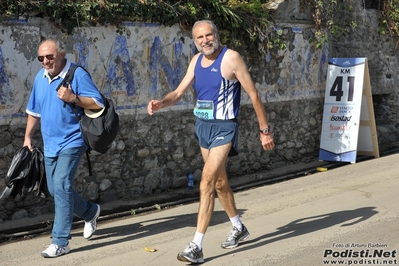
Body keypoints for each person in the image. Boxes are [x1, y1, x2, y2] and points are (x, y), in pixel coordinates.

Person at [147, 20, 275, 263]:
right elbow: (178, 93)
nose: (205, 40)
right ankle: (238, 226)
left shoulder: (231, 58)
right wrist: (161, 103)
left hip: (224, 128)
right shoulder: (196, 61)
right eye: (199, 38)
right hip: (203, 127)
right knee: (218, 181)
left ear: (216, 35)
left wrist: (264, 130)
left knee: (205, 182)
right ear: (195, 41)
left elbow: (253, 94)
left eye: (208, 35)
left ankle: (196, 246)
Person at [23, 39, 103, 258]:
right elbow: (34, 111)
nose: (46, 61)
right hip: (50, 144)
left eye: (50, 56)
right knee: (53, 188)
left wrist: (74, 98)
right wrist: (27, 136)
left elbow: (98, 103)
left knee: (61, 184)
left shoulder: (77, 74)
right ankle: (90, 211)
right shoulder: (40, 78)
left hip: (73, 140)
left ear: (61, 54)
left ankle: (60, 241)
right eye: (41, 58)